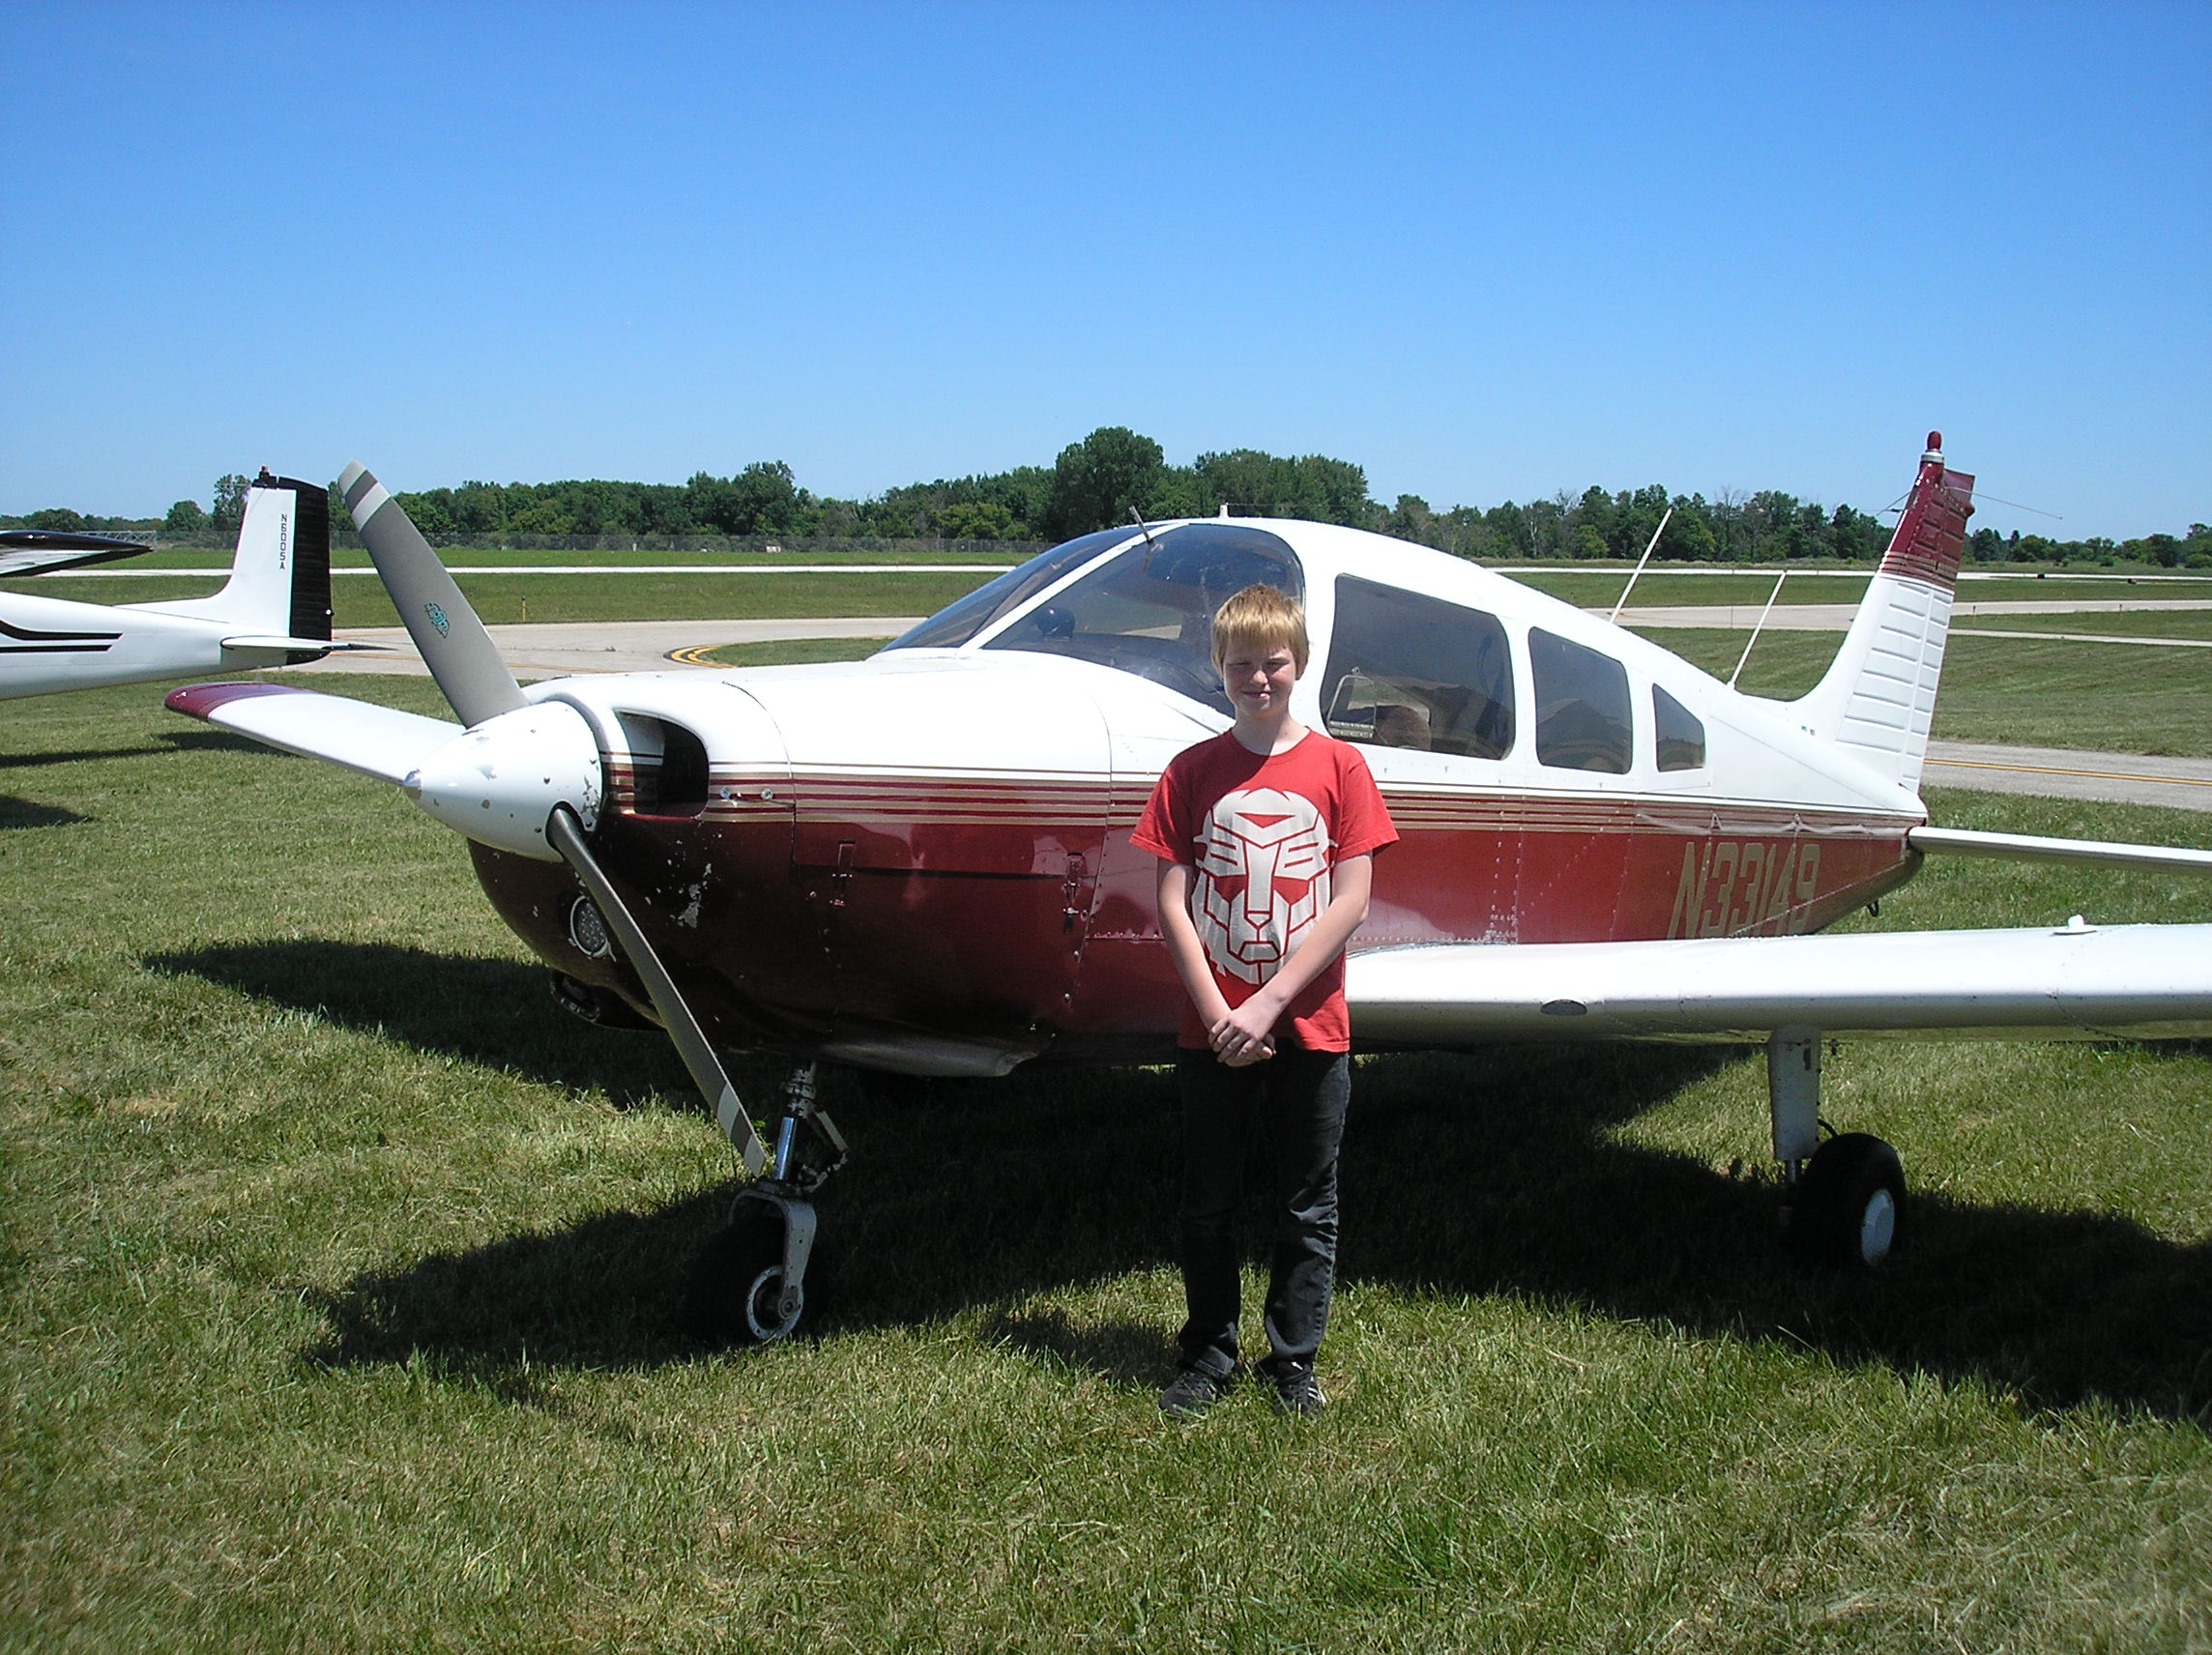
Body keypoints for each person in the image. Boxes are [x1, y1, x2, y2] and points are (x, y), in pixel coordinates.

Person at [1130, 585, 1397, 1418]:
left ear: (1299, 665)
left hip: (1310, 1028)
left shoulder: (1341, 767)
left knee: (1306, 1203)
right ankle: (1208, 1354)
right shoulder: (1190, 773)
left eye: (1272, 662)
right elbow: (1174, 901)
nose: (1257, 677)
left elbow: (1349, 900)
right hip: (1211, 1030)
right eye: (1240, 663)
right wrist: (1218, 1014)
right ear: (1219, 670)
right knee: (1205, 1203)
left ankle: (1293, 1364)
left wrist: (1268, 1004)